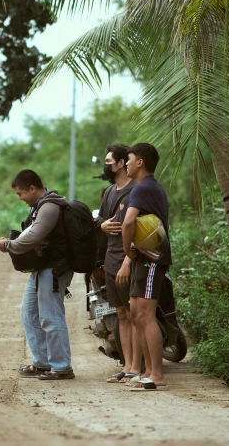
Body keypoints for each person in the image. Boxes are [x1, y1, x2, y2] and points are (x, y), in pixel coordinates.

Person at [0, 170, 75, 380]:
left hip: (55, 269)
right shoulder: (39, 206)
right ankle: (42, 363)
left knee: (51, 315)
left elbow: (33, 236)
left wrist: (9, 245)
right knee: (29, 313)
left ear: (32, 188)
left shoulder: (50, 206)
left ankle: (61, 366)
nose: (20, 198)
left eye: (20, 193)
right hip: (43, 268)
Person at [121, 143, 172, 391]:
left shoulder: (141, 189)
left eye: (129, 159)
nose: (126, 163)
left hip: (151, 259)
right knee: (136, 314)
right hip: (145, 259)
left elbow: (128, 222)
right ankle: (148, 372)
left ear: (139, 162)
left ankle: (158, 375)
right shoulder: (151, 187)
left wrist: (126, 249)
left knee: (146, 316)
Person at [95, 144, 144, 384]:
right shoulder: (111, 192)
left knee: (134, 314)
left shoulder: (136, 191)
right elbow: (101, 219)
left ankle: (136, 368)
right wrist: (101, 225)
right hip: (110, 259)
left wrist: (128, 261)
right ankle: (127, 367)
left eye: (109, 161)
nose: (106, 165)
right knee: (122, 314)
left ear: (123, 162)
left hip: (128, 261)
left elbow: (139, 232)